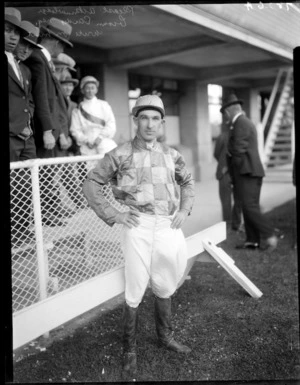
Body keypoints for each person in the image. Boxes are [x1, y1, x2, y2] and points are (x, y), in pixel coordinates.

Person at [82, 95, 195, 378]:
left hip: (168, 225)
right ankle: (129, 348)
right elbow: (91, 183)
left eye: (155, 118)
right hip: (138, 225)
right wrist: (115, 214)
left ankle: (165, 336)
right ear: (135, 121)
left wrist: (185, 208)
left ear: (162, 123)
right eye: (144, 118)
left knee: (166, 279)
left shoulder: (172, 154)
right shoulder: (119, 153)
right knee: (135, 285)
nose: (149, 124)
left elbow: (188, 182)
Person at [24, 17, 74, 226]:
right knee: (43, 174)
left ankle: (45, 214)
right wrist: (47, 130)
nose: (61, 48)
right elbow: (42, 97)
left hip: (51, 129)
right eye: (62, 44)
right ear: (55, 42)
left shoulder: (43, 59)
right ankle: (41, 215)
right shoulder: (38, 57)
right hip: (46, 130)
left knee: (46, 174)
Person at [221, 94, 278, 250]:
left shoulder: (241, 123)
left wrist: (236, 172)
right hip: (247, 173)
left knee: (250, 206)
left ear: (229, 111)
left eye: (224, 112)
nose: (224, 115)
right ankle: (252, 241)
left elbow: (238, 151)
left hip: (247, 173)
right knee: (247, 207)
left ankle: (270, 235)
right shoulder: (240, 123)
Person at [5, 8, 36, 245]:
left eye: (15, 32)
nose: (13, 37)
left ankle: (22, 232)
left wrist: (27, 123)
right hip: (11, 135)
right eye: (7, 30)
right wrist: (16, 127)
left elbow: (29, 101)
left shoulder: (22, 67)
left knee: (26, 185)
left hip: (27, 137)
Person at [70, 76, 117, 169]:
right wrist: (86, 140)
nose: (90, 91)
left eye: (92, 88)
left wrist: (100, 137)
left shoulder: (104, 105)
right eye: (87, 88)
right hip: (87, 147)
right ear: (82, 90)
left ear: (96, 90)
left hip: (104, 142)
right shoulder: (77, 110)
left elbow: (111, 124)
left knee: (111, 171)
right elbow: (75, 130)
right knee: (92, 174)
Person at [214, 122, 243, 232]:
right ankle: (235, 223)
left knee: (226, 200)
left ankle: (228, 225)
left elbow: (216, 153)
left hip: (225, 172)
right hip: (232, 172)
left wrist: (223, 163)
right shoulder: (237, 136)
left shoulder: (222, 136)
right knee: (236, 199)